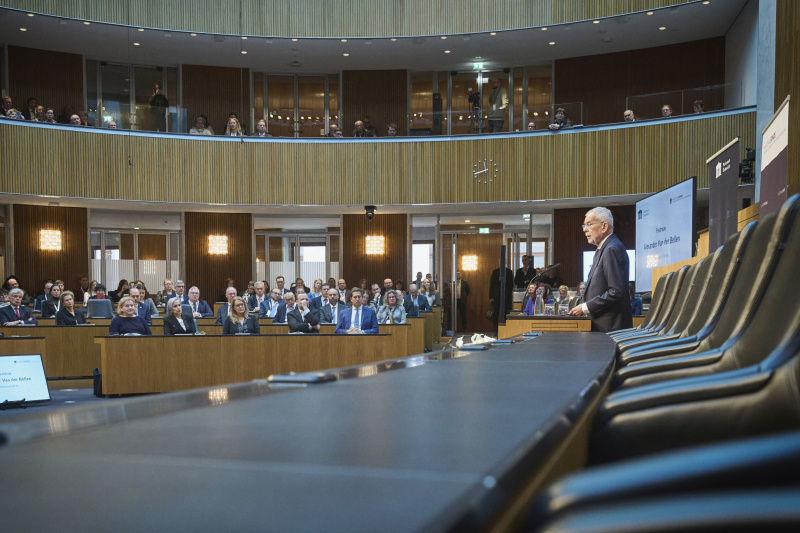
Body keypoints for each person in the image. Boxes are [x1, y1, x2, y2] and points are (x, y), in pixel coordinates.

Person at [568, 207, 633, 332]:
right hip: (603, 326)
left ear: (604, 226)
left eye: (589, 224)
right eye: (584, 225)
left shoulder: (611, 249)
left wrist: (585, 307)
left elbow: (616, 291)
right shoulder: (605, 249)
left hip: (610, 328)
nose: (585, 229)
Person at [489, 263, 514, 335]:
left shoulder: (509, 272)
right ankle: (496, 330)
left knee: (506, 313)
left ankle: (504, 329)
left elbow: (511, 285)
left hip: (506, 295)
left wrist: (510, 297)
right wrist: (490, 296)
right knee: (495, 313)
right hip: (496, 296)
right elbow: (492, 284)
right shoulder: (495, 271)